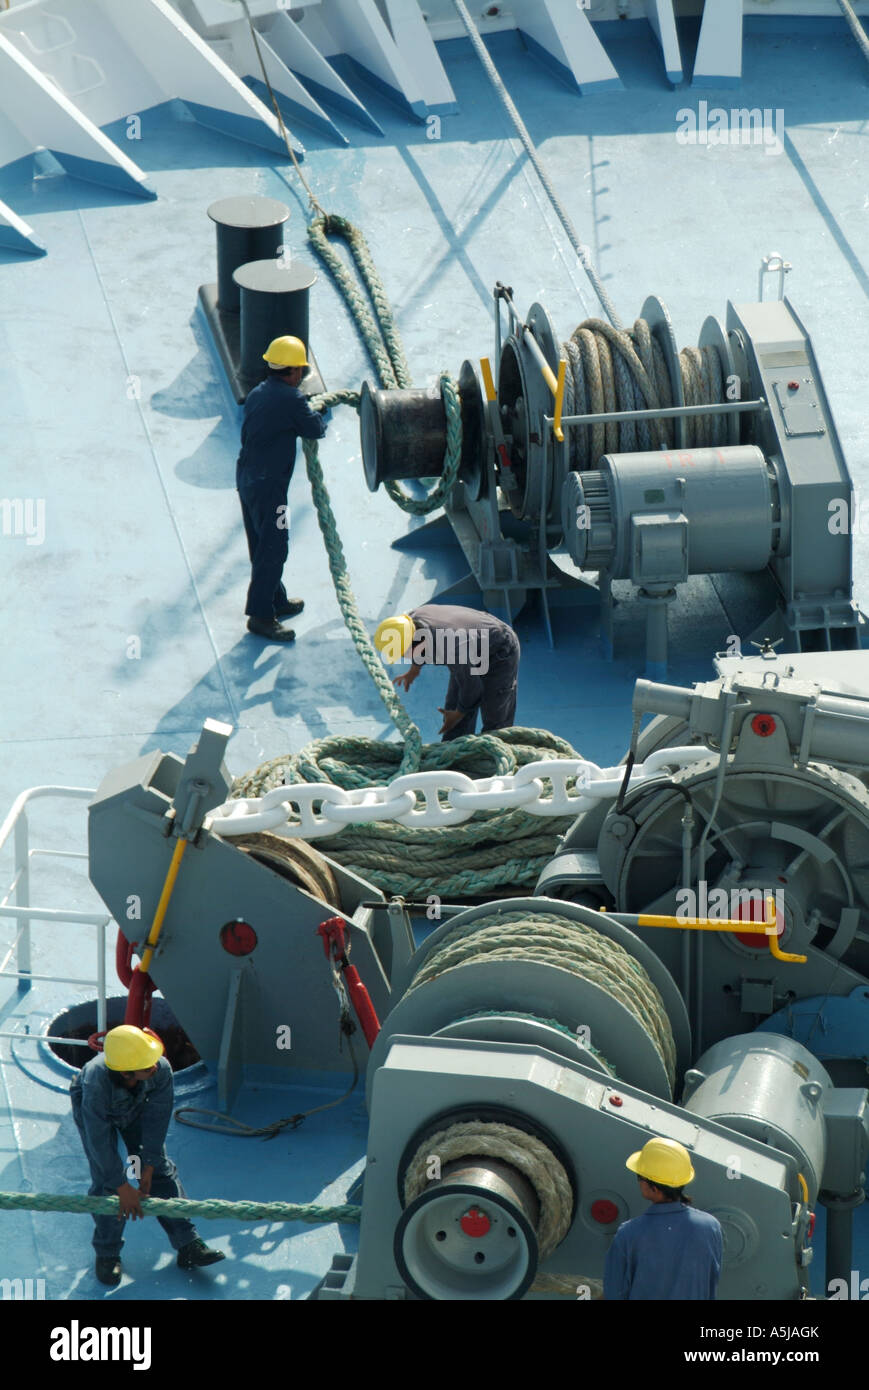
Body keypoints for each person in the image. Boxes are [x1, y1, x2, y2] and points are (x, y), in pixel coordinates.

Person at [70, 1024, 226, 1286]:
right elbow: (100, 1142)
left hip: (134, 1106)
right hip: (96, 1106)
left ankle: (188, 1245)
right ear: (127, 1073)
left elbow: (156, 1119)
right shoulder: (95, 1083)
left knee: (161, 1173)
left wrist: (148, 1166)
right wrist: (122, 1186)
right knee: (107, 1185)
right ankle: (107, 1254)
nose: (154, 1066)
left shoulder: (159, 1068)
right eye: (146, 1065)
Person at [237, 335, 331, 643]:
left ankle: (276, 600)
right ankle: (261, 616)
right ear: (292, 371)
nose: (301, 375)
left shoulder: (257, 393)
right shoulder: (292, 399)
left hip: (247, 479)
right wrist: (318, 413)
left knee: (261, 543)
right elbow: (315, 429)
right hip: (269, 489)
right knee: (275, 545)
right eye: (300, 370)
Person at [374, 604, 520, 740]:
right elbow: (417, 647)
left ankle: (497, 749)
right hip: (472, 643)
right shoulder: (410, 622)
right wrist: (413, 670)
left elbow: (473, 689)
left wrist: (458, 714)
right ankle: (454, 750)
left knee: (494, 712)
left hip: (499, 647)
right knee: (455, 710)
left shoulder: (451, 649)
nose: (402, 657)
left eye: (402, 653)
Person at [603, 1137, 723, 1300]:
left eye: (640, 1177)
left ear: (654, 1187)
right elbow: (711, 1283)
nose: (639, 1182)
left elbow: (614, 1293)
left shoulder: (629, 1234)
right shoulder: (711, 1227)